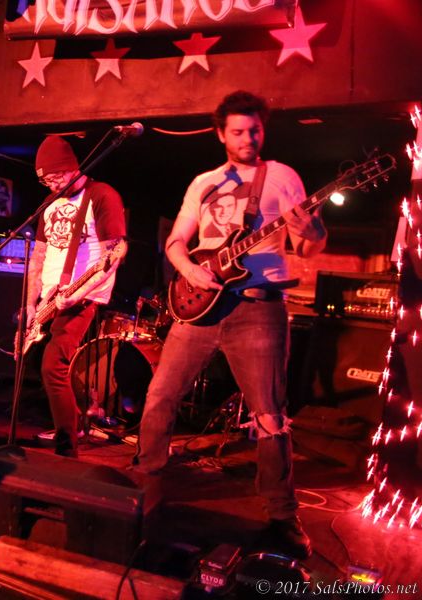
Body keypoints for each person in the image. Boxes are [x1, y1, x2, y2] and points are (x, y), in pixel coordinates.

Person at [132, 91, 327, 559]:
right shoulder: (203, 183)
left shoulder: (282, 177)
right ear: (221, 134)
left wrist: (312, 232)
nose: (247, 139)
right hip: (200, 307)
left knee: (270, 415)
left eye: (254, 130)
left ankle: (282, 515)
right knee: (160, 395)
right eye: (238, 131)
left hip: (259, 308)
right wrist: (188, 269)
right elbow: (177, 241)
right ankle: (143, 493)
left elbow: (307, 246)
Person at [26, 135, 128, 458]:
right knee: (42, 367)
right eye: (46, 180)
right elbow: (39, 257)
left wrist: (76, 295)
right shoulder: (49, 204)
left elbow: (114, 254)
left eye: (56, 176)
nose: (52, 184)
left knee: (53, 365)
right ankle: (69, 427)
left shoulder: (101, 195)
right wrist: (30, 303)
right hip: (49, 299)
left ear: (71, 167)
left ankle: (66, 447)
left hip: (82, 296)